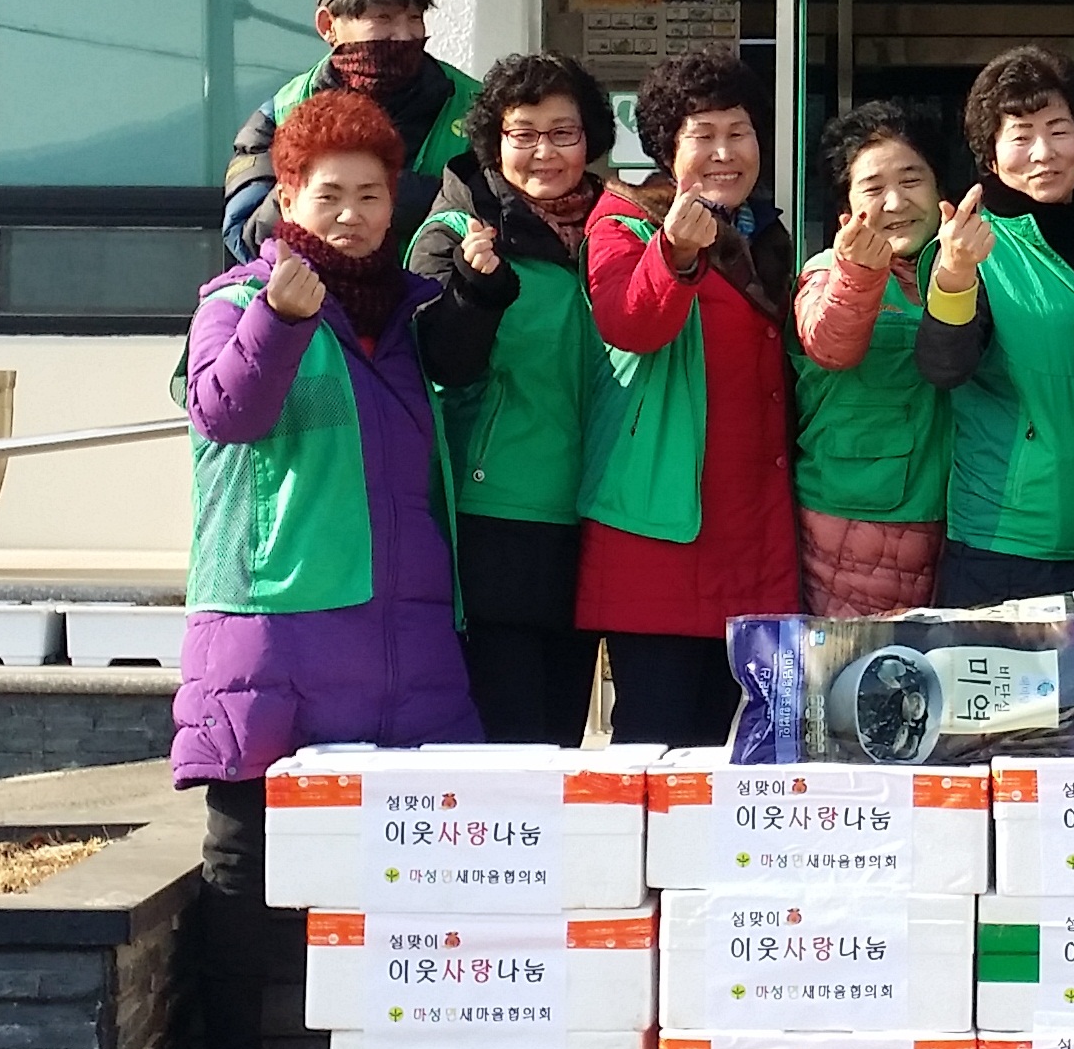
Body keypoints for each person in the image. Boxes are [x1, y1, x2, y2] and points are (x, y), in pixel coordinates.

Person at [174, 91, 494, 1049]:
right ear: (287, 198)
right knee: (245, 858)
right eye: (329, 194)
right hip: (276, 625)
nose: (351, 213)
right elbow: (225, 411)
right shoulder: (235, 297)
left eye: (370, 194)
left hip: (405, 630)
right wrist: (279, 318)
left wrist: (478, 288)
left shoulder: (406, 313)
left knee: (414, 861)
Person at [579, 51, 798, 747]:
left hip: (751, 533)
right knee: (656, 746)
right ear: (667, 149)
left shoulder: (764, 236)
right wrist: (672, 251)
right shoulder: (625, 225)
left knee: (731, 753)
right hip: (664, 538)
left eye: (740, 132)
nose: (725, 153)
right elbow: (629, 323)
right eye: (704, 135)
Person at [407, 53, 614, 746]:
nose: (543, 152)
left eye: (563, 133)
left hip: (592, 510)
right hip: (495, 515)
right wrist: (476, 289)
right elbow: (440, 361)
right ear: (492, 140)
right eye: (523, 134)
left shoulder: (615, 232)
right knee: (509, 741)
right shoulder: (457, 232)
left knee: (564, 739)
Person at [916, 45, 1074, 605]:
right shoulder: (973, 245)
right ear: (991, 153)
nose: (1044, 153)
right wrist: (954, 273)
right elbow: (944, 365)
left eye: (1059, 130)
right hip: (1013, 545)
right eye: (1021, 136)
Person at [791, 103, 992, 614]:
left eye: (911, 180)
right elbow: (829, 343)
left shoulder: (972, 268)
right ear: (845, 208)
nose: (896, 202)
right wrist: (858, 274)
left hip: (964, 518)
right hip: (856, 525)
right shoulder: (826, 271)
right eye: (873, 188)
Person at [224, 0, 481, 262]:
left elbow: (509, 215)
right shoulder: (278, 115)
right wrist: (322, 185)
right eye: (383, 17)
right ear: (327, 26)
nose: (403, 35)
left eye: (415, 17)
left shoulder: (477, 107)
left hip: (443, 292)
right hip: (313, 293)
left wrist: (393, 194)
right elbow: (247, 236)